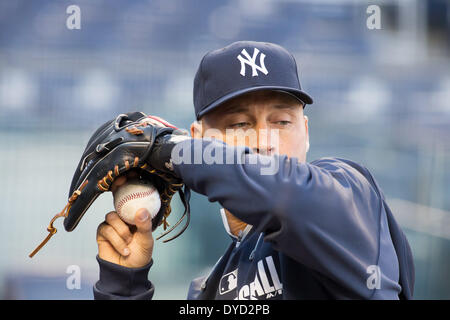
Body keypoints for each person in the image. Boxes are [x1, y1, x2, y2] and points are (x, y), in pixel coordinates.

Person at [93, 41, 415, 300]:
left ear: (306, 132)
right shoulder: (208, 289)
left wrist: (175, 151)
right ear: (200, 138)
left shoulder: (353, 199)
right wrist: (124, 285)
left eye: (282, 122)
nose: (264, 141)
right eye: (240, 124)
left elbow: (287, 196)